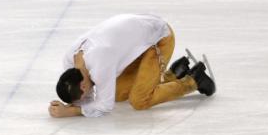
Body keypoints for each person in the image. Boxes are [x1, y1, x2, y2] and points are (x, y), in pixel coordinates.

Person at [49, 13, 215, 118]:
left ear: (84, 86)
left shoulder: (100, 64)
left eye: (83, 98)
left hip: (158, 39)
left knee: (139, 100)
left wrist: (72, 111)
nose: (84, 101)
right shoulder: (70, 61)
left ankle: (193, 80)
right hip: (137, 44)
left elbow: (104, 107)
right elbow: (95, 98)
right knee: (119, 94)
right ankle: (174, 74)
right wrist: (71, 106)